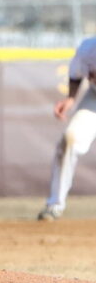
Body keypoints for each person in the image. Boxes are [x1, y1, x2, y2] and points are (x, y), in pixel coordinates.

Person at [37, 36, 96, 220]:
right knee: (71, 137)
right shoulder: (88, 49)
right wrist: (71, 98)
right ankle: (55, 204)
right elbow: (76, 74)